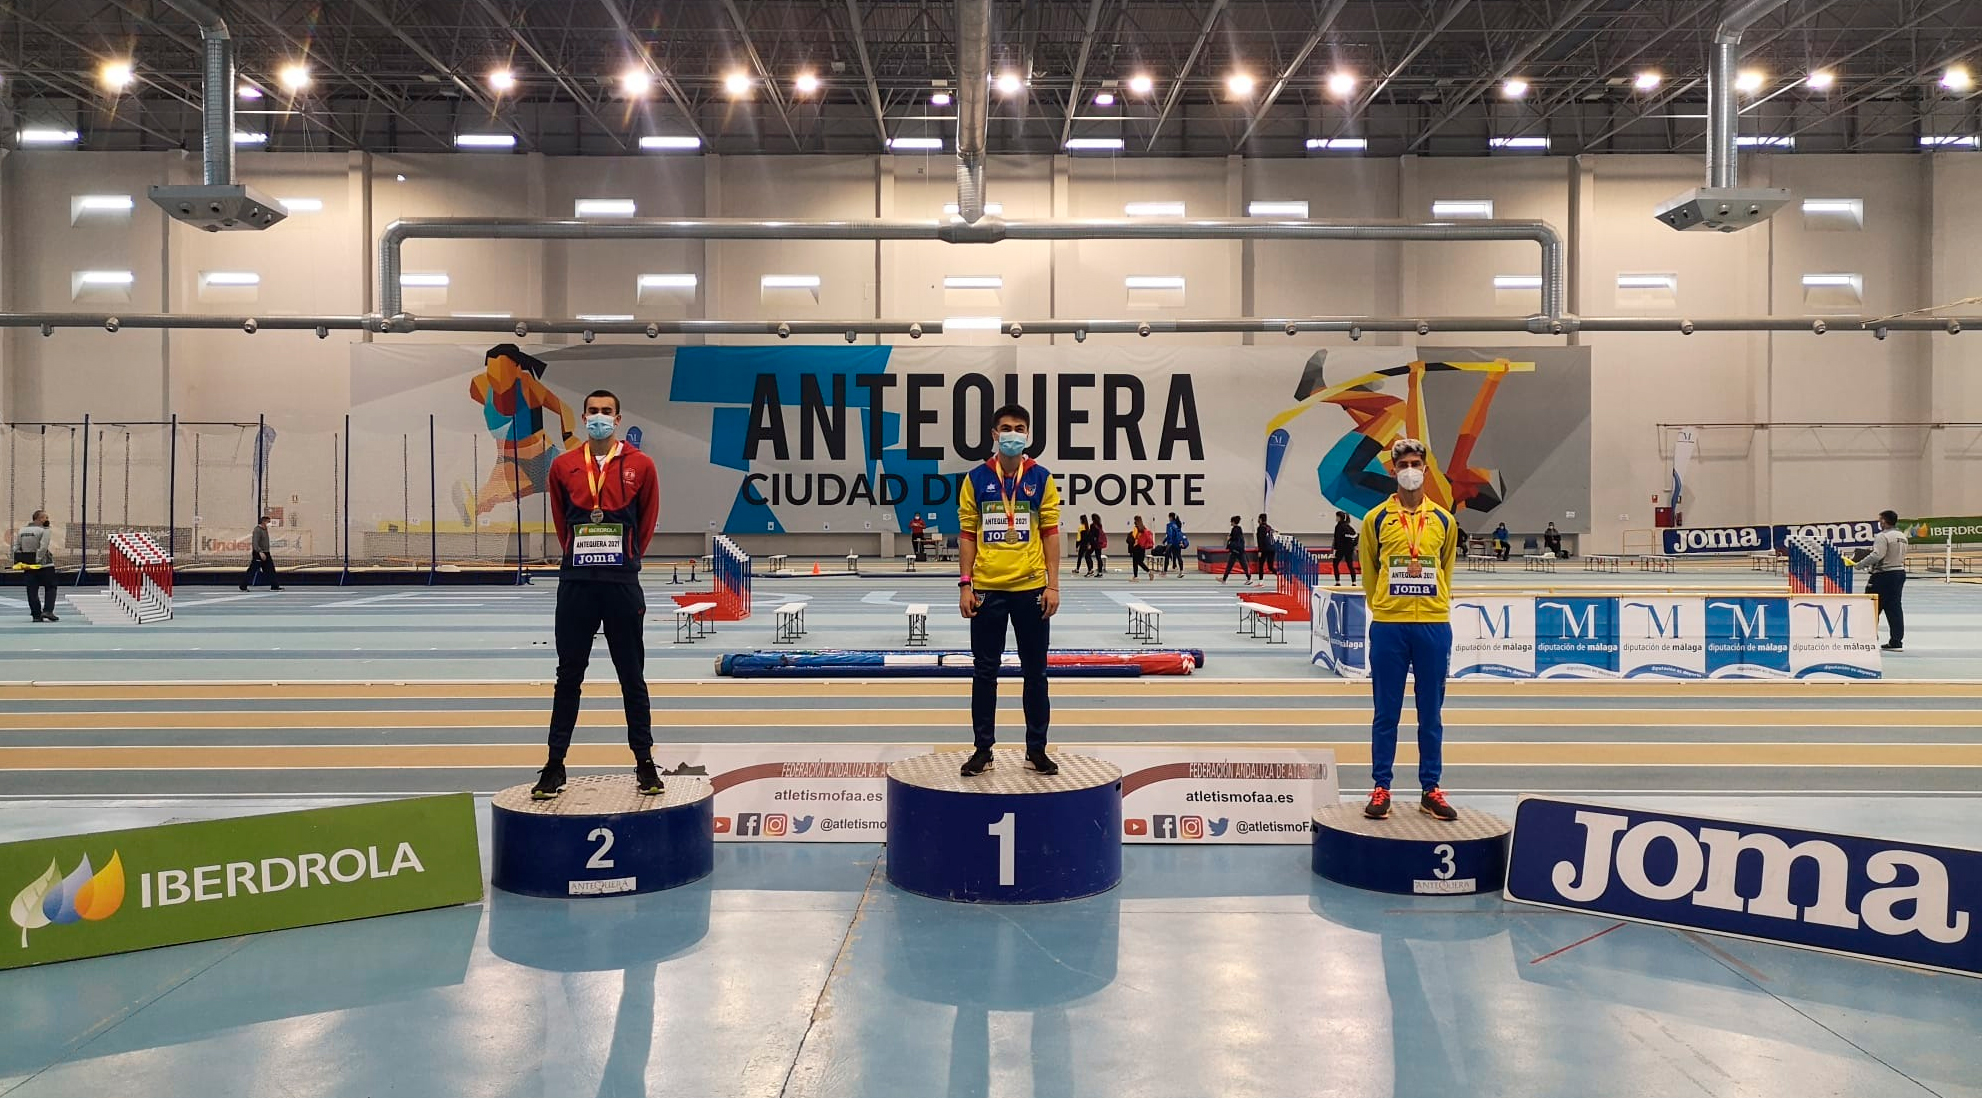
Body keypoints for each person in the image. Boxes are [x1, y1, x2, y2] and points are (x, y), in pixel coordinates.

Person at [531, 389, 664, 800]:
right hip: (576, 584)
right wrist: (581, 557)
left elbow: (647, 522)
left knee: (631, 676)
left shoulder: (642, 465)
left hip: (622, 583)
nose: (599, 417)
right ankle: (554, 765)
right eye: (593, 411)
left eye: (607, 412)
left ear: (618, 419)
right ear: (584, 417)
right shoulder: (564, 465)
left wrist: (625, 559)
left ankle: (644, 762)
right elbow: (561, 523)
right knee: (568, 676)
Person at [1359, 438, 1461, 823]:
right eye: (1403, 465)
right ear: (1393, 471)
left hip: (1432, 624)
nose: (1410, 470)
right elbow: (1370, 570)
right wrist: (1384, 605)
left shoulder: (1444, 521)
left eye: (1416, 464)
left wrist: (1435, 604)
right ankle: (1381, 786)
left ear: (1426, 470)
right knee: (1386, 712)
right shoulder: (1375, 519)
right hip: (1390, 625)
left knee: (1430, 713)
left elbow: (1446, 567)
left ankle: (1430, 788)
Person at [957, 403, 1062, 777]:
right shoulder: (975, 479)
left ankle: (1037, 749)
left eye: (1019, 428)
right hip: (987, 589)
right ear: (994, 435)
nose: (1012, 434)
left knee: (1036, 673)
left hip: (1032, 589)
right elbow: (967, 534)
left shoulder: (1042, 478)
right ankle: (983, 749)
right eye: (1006, 428)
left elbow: (1050, 534)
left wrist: (1053, 585)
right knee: (985, 673)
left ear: (1028, 435)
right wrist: (965, 585)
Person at [455, 344, 580, 525]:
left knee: (579, 488)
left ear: (517, 369)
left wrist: (569, 437)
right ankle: (471, 507)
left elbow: (563, 408)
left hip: (544, 457)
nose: (498, 379)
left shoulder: (528, 385)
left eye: (503, 372)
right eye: (492, 373)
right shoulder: (479, 386)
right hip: (510, 462)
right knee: (486, 498)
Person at [1854, 509, 1908, 652]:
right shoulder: (1902, 536)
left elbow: (1877, 554)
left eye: (1880, 520)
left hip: (1884, 574)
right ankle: (1896, 641)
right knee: (1894, 608)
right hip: (1899, 573)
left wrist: (1860, 564)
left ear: (1883, 521)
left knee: (1871, 606)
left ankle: (1869, 639)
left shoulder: (1882, 536)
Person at [12, 510, 58, 622]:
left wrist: (22, 560)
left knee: (32, 590)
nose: (47, 520)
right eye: (45, 517)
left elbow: (16, 547)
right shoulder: (45, 530)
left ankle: (36, 615)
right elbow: (43, 547)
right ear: (39, 519)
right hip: (45, 565)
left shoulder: (22, 530)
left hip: (28, 565)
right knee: (51, 587)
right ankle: (48, 611)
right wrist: (37, 559)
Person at [239, 515, 282, 591]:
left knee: (270, 569)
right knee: (252, 570)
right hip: (258, 553)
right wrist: (260, 552)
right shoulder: (257, 530)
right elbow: (255, 543)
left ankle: (274, 586)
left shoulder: (265, 529)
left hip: (266, 553)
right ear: (264, 522)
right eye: (268, 522)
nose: (270, 524)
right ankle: (243, 586)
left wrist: (265, 552)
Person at [1220, 515, 1254, 586]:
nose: (1230, 523)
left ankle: (1224, 579)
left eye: (1231, 522)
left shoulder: (1234, 529)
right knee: (1243, 565)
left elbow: (1233, 538)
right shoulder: (1239, 529)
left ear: (1233, 522)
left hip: (1235, 550)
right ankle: (1249, 578)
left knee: (1230, 565)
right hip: (1240, 550)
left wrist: (1229, 538)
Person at [1330, 509, 1359, 582]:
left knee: (1335, 564)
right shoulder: (1349, 527)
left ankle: (1337, 581)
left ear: (1340, 518)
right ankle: (1354, 582)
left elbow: (1337, 539)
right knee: (1350, 565)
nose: (1336, 518)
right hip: (1349, 549)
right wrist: (1353, 545)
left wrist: (1334, 550)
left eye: (1337, 517)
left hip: (1341, 549)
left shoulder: (1338, 527)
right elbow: (1356, 536)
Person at [1129, 516, 1154, 581]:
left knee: (1135, 562)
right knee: (1140, 562)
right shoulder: (1144, 528)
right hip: (1142, 547)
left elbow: (1134, 537)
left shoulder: (1136, 528)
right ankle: (1149, 571)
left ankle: (1136, 576)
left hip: (1136, 547)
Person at [1256, 514, 1277, 578]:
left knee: (1261, 565)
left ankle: (1260, 581)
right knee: (1270, 567)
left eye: (1258, 519)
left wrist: (1260, 550)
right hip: (1272, 548)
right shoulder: (1269, 527)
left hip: (1264, 549)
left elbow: (1260, 540)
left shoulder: (1260, 528)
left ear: (1260, 519)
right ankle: (1279, 575)